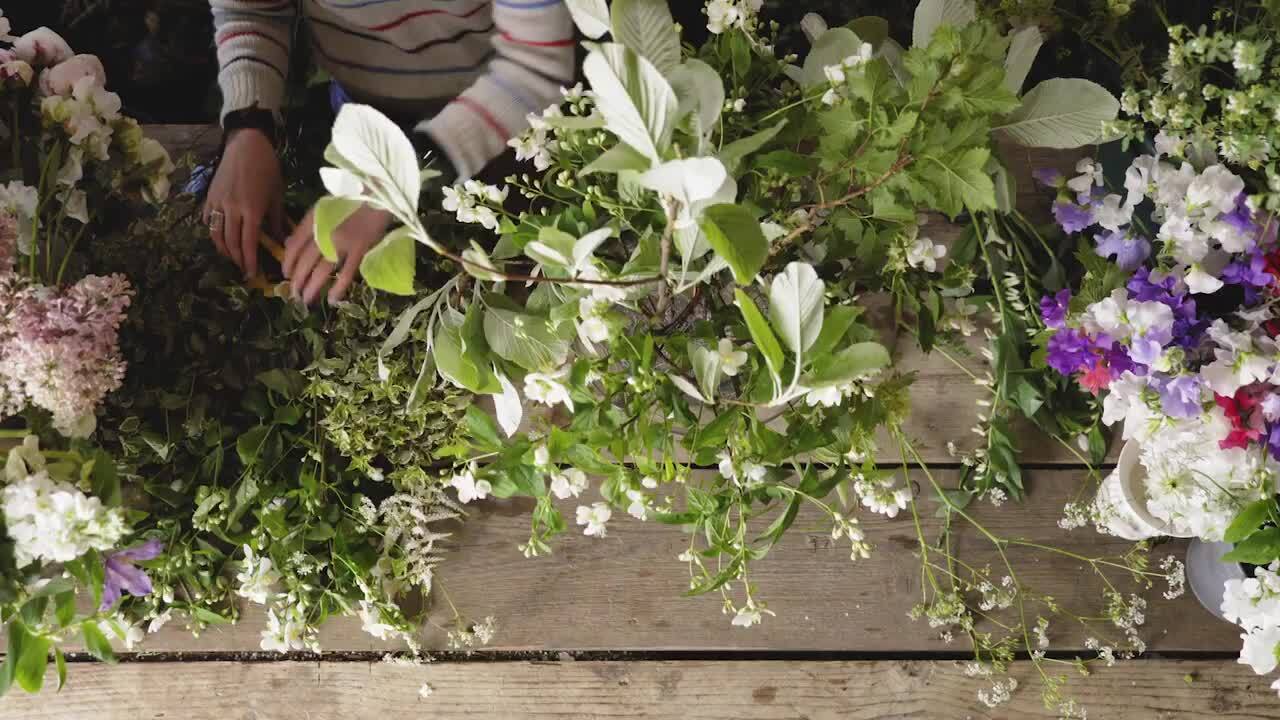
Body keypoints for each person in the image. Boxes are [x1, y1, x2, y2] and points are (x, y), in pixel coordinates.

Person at [201, 0, 575, 304]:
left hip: (511, 136)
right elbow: (252, 12)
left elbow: (535, 66)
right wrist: (249, 125)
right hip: (366, 121)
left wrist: (393, 182)